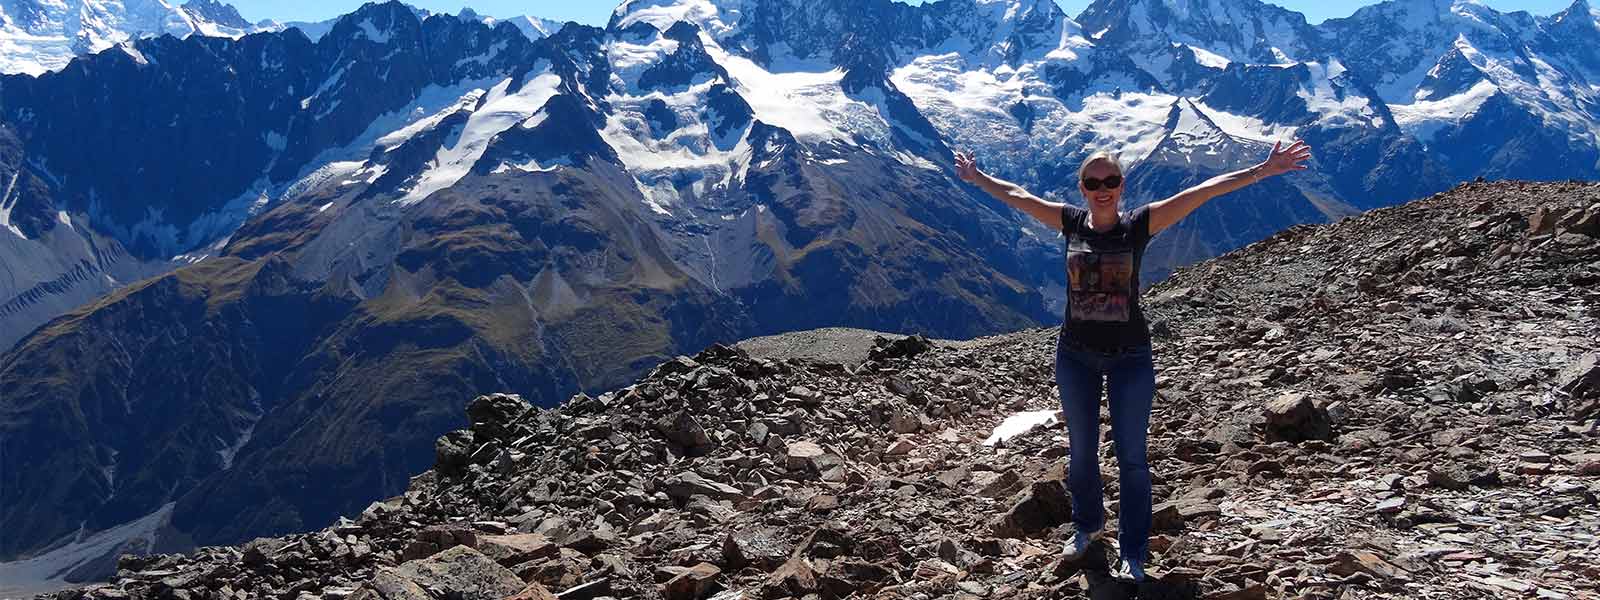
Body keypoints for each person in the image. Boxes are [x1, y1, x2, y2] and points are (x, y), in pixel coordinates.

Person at [953, 141, 1313, 580]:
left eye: (1111, 181)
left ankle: (1134, 551)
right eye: (1093, 182)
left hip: (1131, 358)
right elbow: (1019, 196)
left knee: (1132, 457)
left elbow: (1205, 191)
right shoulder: (1070, 222)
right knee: (1082, 453)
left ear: (1122, 185)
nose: (1102, 189)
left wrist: (1263, 169)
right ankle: (1086, 527)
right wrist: (978, 178)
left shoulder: (1140, 225)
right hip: (1075, 356)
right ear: (1082, 188)